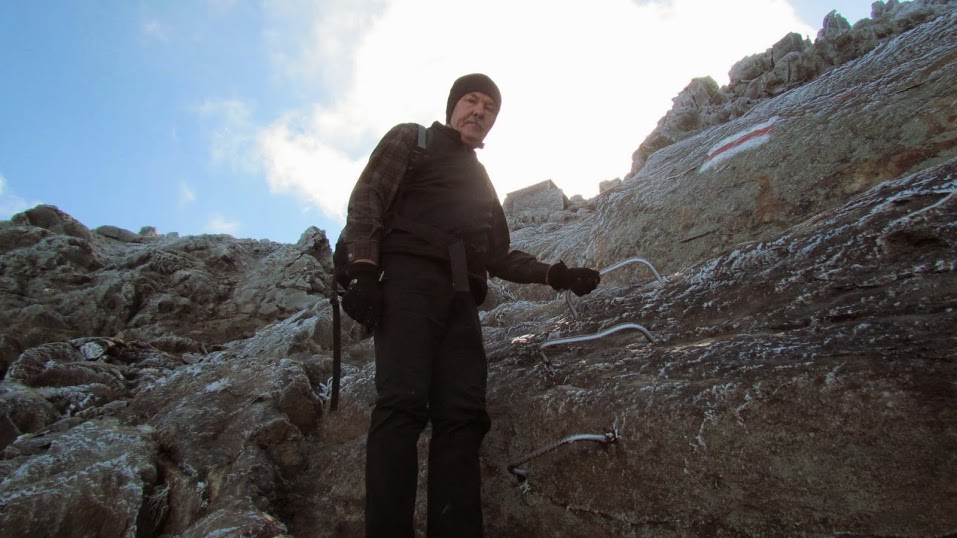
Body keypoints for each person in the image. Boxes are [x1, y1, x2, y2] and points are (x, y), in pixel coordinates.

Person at [340, 73, 601, 537]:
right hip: (408, 281)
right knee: (401, 404)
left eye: (489, 108)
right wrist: (363, 269)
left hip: (461, 301)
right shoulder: (412, 139)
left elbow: (499, 255)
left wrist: (556, 275)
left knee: (463, 417)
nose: (479, 112)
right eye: (471, 101)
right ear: (453, 106)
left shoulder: (482, 182)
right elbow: (368, 198)